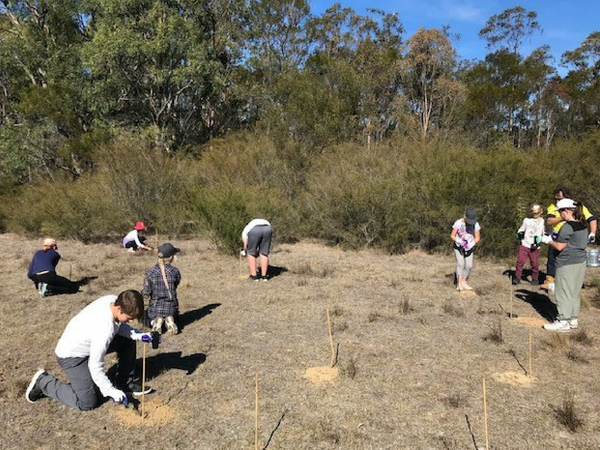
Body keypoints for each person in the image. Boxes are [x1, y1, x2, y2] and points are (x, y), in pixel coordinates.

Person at [25, 290, 154, 410]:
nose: (131, 321)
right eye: (129, 318)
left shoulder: (113, 300)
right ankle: (43, 382)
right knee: (87, 402)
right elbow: (95, 366)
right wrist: (110, 391)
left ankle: (124, 383)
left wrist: (137, 335)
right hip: (71, 357)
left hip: (87, 344)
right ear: (119, 309)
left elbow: (119, 326)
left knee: (127, 341)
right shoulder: (104, 329)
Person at [541, 199, 588, 332]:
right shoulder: (583, 224)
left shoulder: (567, 227)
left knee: (563, 291)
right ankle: (573, 318)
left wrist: (548, 240)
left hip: (567, 262)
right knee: (574, 291)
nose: (559, 215)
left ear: (566, 211)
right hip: (580, 261)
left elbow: (559, 246)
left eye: (560, 212)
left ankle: (563, 321)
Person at [541, 187, 596, 291]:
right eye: (556, 198)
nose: (558, 200)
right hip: (558, 234)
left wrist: (592, 232)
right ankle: (550, 279)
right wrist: (563, 216)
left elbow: (591, 219)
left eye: (560, 198)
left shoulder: (578, 206)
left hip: (574, 235)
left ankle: (572, 280)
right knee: (553, 257)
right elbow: (549, 220)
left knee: (572, 257)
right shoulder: (553, 207)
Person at [142, 243, 181, 335]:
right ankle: (170, 320)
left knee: (143, 317)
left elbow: (146, 292)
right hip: (172, 306)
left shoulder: (150, 272)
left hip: (155, 307)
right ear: (171, 257)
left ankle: (155, 322)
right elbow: (176, 284)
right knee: (175, 315)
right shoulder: (175, 271)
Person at [513, 204, 545, 285]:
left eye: (536, 213)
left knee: (534, 263)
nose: (534, 215)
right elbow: (522, 229)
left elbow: (542, 232)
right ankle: (517, 277)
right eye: (533, 213)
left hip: (535, 245)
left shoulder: (542, 221)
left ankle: (535, 278)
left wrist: (539, 240)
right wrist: (519, 234)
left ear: (540, 212)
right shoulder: (526, 220)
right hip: (525, 243)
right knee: (520, 261)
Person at [450, 207, 481, 291]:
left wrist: (471, 244)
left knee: (469, 265)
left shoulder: (476, 224)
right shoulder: (458, 223)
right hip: (458, 245)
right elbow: (452, 235)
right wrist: (460, 241)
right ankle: (459, 283)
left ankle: (464, 281)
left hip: (469, 246)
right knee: (460, 263)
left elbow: (477, 237)